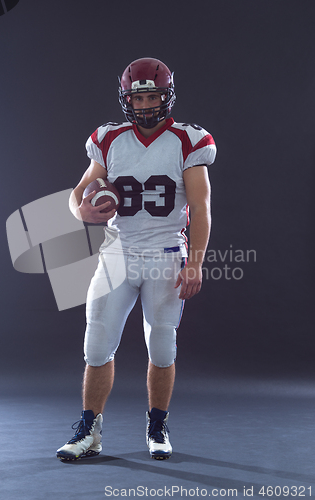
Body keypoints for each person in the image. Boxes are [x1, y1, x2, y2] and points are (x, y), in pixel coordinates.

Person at [56, 57, 216, 461]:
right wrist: (81, 213)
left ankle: (157, 424)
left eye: (152, 96)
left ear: (167, 95)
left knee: (161, 346)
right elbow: (79, 194)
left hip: (165, 254)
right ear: (127, 99)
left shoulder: (188, 139)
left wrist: (194, 262)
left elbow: (201, 207)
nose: (144, 105)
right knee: (96, 345)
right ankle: (89, 430)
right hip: (118, 253)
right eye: (137, 97)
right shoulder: (110, 138)